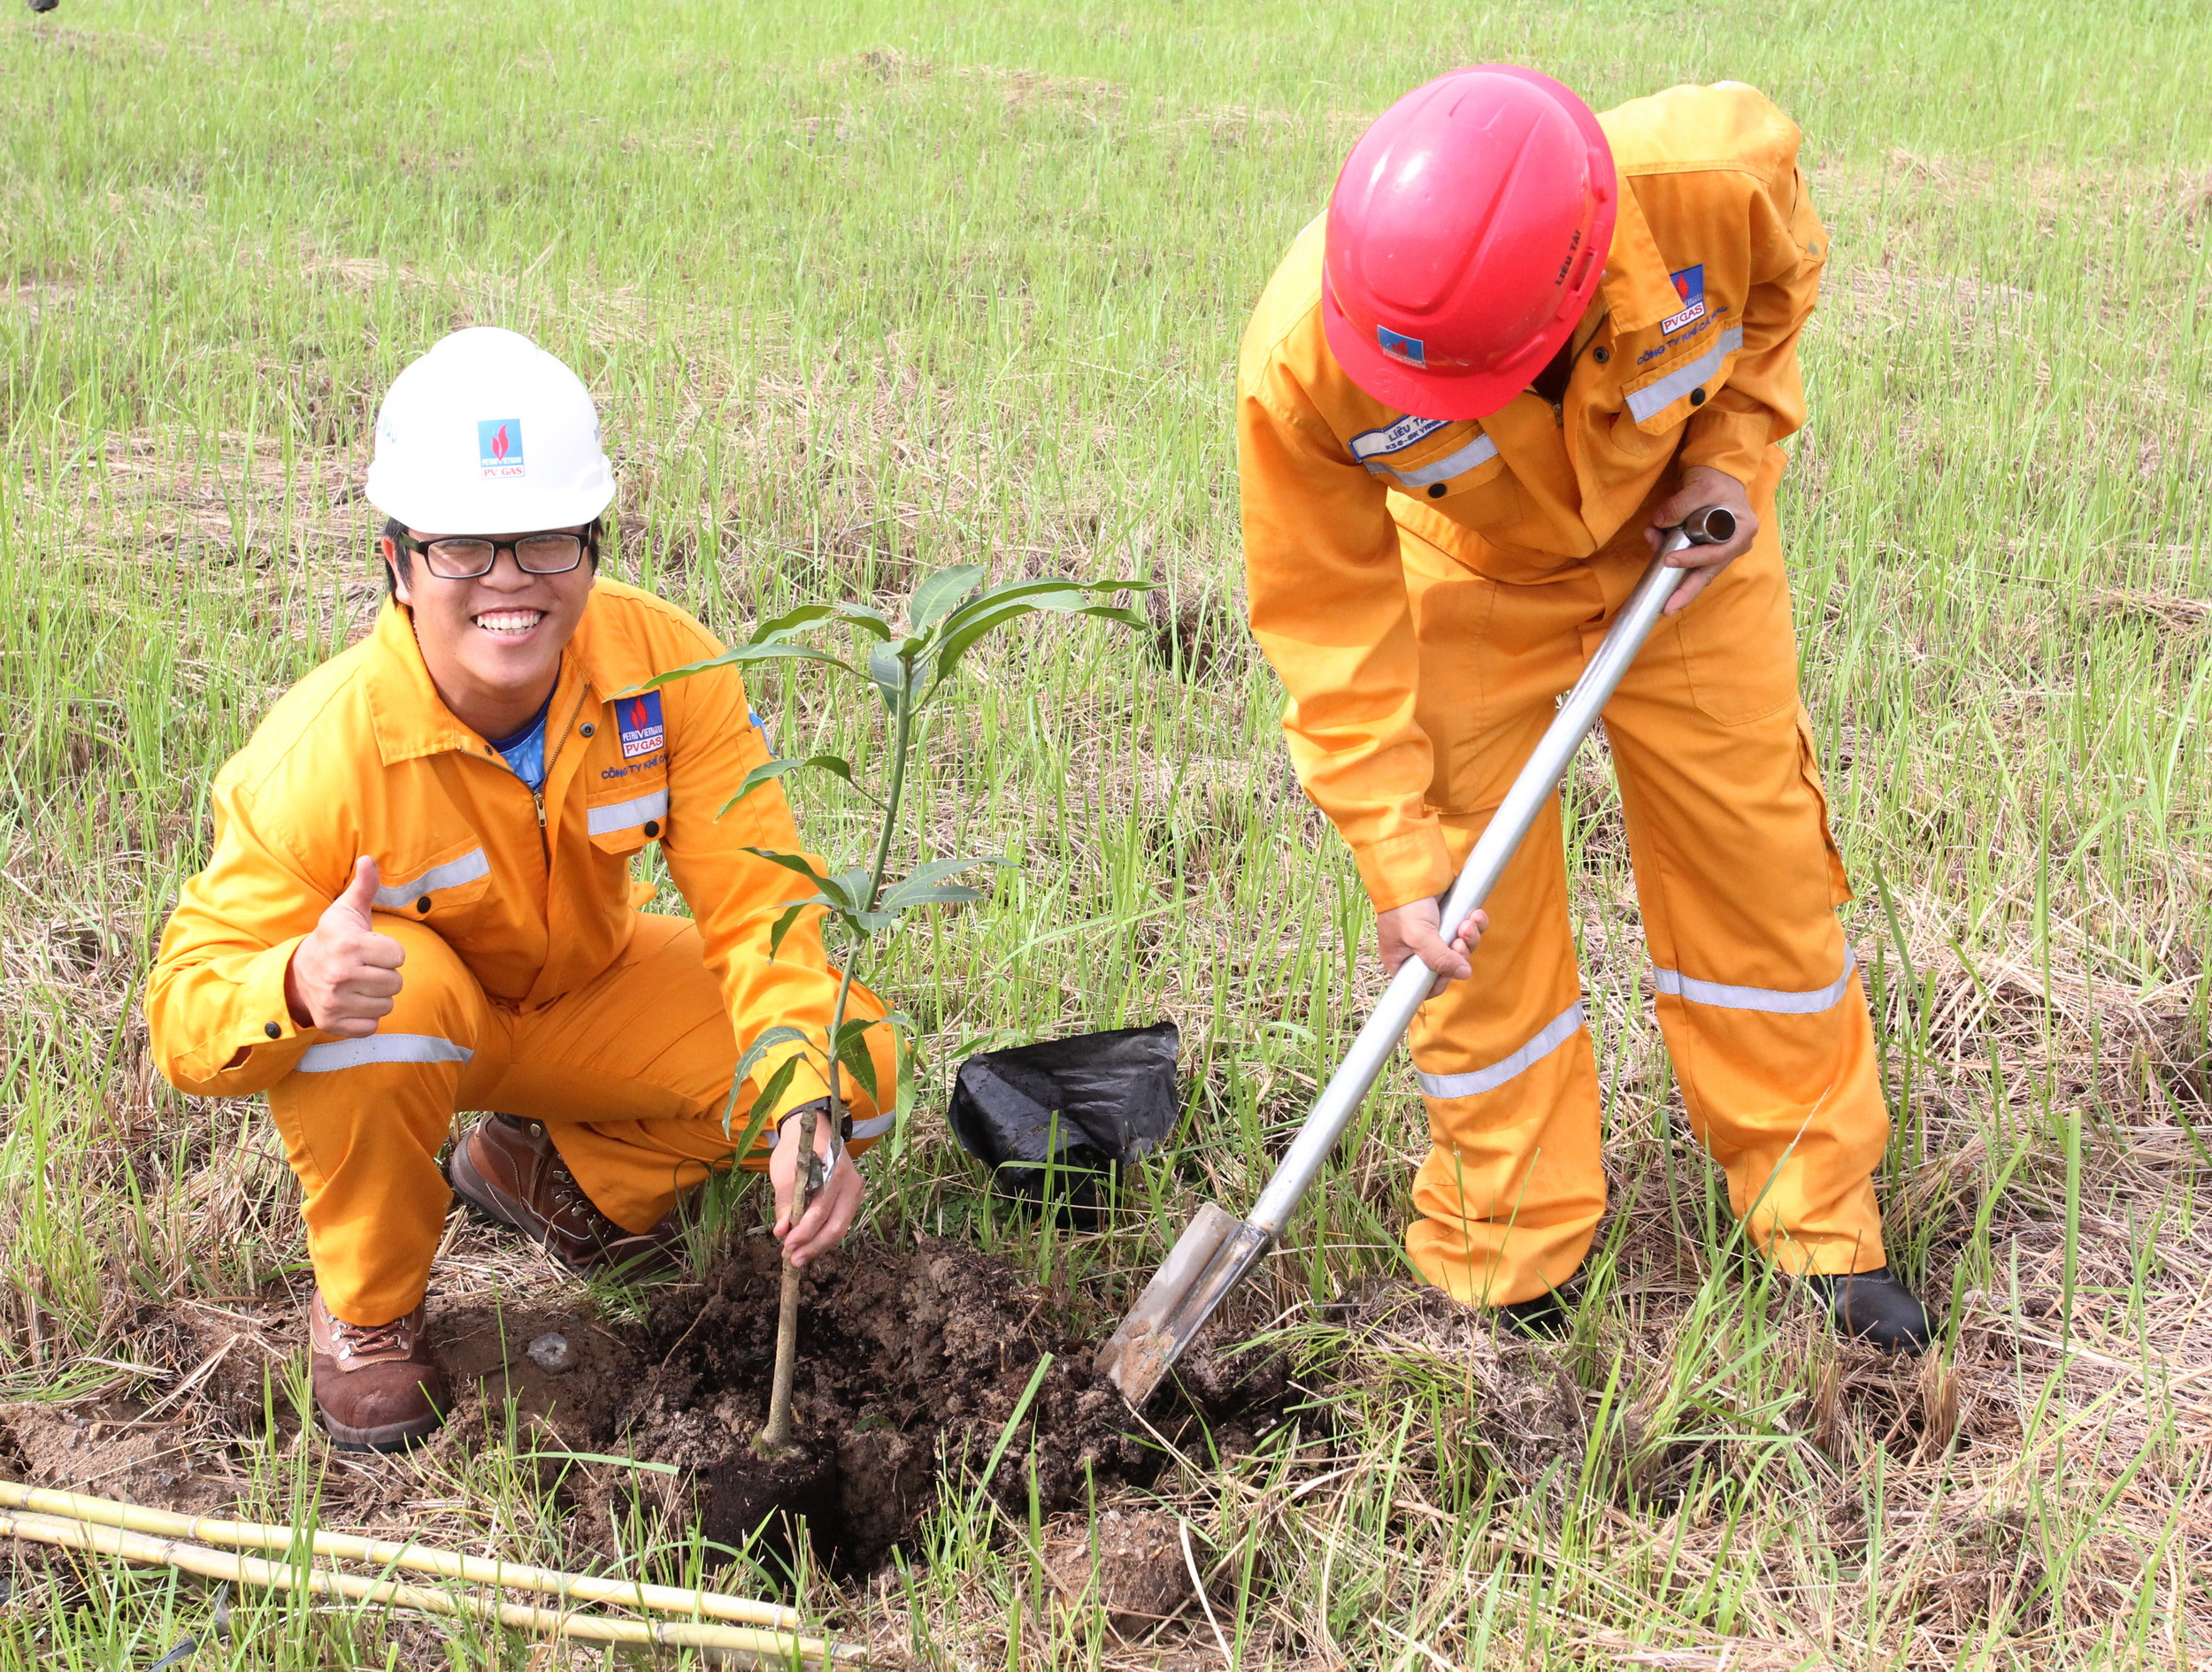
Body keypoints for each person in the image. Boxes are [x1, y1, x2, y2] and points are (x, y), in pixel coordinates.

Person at [1238, 67, 1930, 1351]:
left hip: (1684, 550)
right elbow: (1325, 619)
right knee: (1461, 914)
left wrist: (1732, 454)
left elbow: (1780, 297)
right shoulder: (1307, 360)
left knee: (1754, 867)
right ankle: (1509, 1243)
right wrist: (1396, 851)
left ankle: (1818, 1219)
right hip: (1474, 571)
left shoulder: (1712, 183)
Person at [148, 327, 900, 1451]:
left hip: (582, 994)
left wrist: (802, 1101)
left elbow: (759, 903)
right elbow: (182, 1014)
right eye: (464, 549)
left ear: (592, 545)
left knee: (858, 1072)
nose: (509, 581)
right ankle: (369, 1313)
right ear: (398, 563)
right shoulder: (319, 754)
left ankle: (548, 1172)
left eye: (545, 541)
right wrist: (296, 983)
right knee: (376, 1015)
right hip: (420, 1021)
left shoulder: (668, 671)